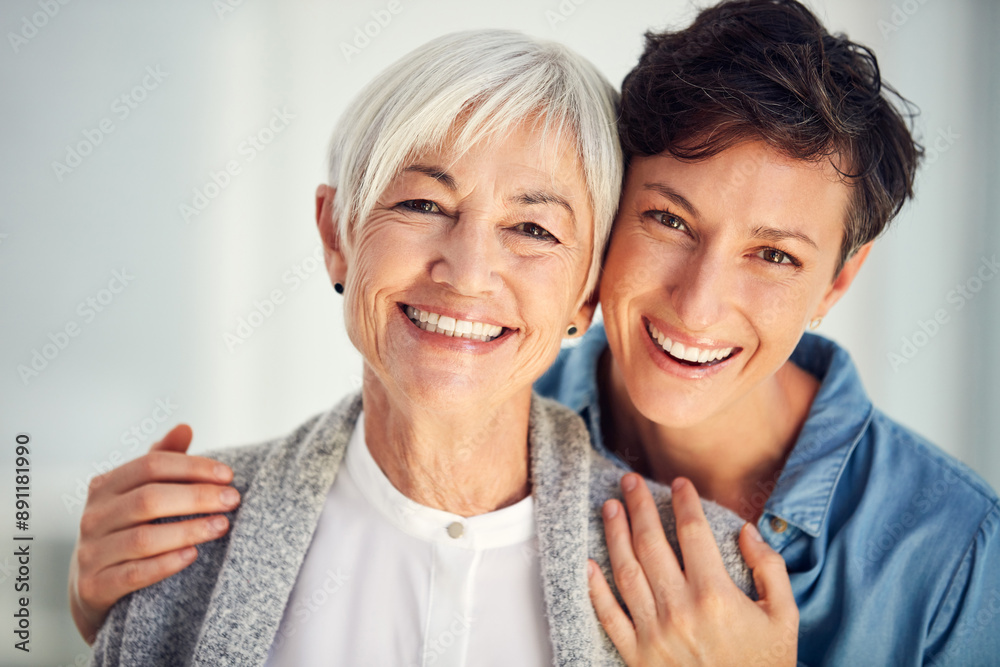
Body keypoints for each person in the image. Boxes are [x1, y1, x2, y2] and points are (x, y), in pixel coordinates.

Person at [75, 29, 797, 667]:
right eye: (424, 205)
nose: (468, 271)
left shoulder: (708, 590)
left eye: (534, 230)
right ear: (337, 236)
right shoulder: (170, 548)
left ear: (586, 294)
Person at [536, 0, 1000, 664]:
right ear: (611, 206)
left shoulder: (959, 553)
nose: (696, 307)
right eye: (669, 220)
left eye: (775, 256)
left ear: (838, 281)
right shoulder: (492, 427)